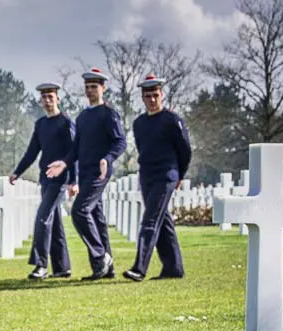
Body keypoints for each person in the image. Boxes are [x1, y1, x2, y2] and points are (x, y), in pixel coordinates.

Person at [46, 67, 126, 280]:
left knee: (79, 211)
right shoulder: (82, 117)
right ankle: (104, 269)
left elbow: (120, 142)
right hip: (85, 173)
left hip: (100, 173)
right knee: (97, 218)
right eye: (87, 87)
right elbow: (76, 148)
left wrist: (107, 159)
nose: (90, 90)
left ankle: (100, 255)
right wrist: (64, 163)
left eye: (94, 87)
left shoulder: (109, 114)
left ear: (103, 88)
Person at [123, 74, 191, 282]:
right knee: (162, 221)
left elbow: (185, 150)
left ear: (162, 95)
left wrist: (180, 174)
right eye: (147, 96)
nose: (152, 100)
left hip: (167, 175)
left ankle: (139, 268)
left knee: (150, 220)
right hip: (148, 176)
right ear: (142, 98)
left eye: (155, 95)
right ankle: (173, 268)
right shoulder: (139, 123)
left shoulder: (172, 120)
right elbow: (144, 149)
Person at [10, 81, 76, 280]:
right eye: (44, 97)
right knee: (54, 223)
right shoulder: (41, 125)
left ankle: (41, 265)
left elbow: (74, 153)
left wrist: (74, 181)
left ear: (58, 99)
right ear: (40, 101)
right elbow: (32, 152)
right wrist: (17, 172)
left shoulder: (66, 123)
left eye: (51, 97)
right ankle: (62, 267)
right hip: (45, 180)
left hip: (60, 179)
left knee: (42, 218)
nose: (47, 101)